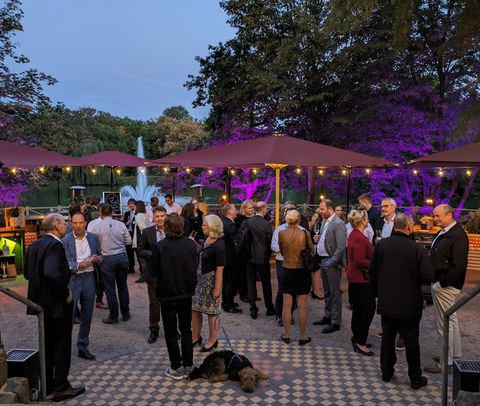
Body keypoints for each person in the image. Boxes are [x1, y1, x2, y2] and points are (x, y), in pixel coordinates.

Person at [24, 213, 85, 401]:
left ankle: (48, 385)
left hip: (40, 304)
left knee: (48, 345)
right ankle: (61, 387)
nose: (66, 225)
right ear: (57, 225)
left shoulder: (35, 244)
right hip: (56, 305)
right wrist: (65, 293)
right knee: (60, 345)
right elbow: (51, 273)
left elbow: (28, 274)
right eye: (64, 222)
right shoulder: (55, 244)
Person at [369, 213, 433, 389]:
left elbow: (372, 271)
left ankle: (386, 372)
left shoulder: (382, 245)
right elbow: (428, 276)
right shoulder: (416, 249)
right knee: (411, 340)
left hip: (387, 300)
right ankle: (415, 378)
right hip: (409, 302)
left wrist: (378, 293)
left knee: (388, 337)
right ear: (409, 226)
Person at [151, 213, 198, 380]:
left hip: (168, 294)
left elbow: (154, 272)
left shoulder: (159, 247)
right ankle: (188, 364)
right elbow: (194, 267)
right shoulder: (191, 245)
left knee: (171, 331)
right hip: (185, 293)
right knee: (186, 329)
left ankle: (176, 366)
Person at [425, 204, 469, 374]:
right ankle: (453, 355)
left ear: (449, 215)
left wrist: (442, 283)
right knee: (452, 321)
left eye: (438, 216)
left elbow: (459, 265)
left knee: (444, 324)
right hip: (442, 283)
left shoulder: (457, 235)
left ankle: (446, 362)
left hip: (445, 285)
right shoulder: (447, 232)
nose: (434, 219)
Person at [62, 213, 102, 361]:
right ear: (71, 223)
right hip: (73, 280)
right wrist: (78, 265)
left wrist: (97, 258)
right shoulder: (65, 240)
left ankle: (82, 347)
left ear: (85, 223)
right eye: (75, 223)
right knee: (69, 315)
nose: (78, 226)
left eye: (80, 223)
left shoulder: (92, 237)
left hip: (89, 278)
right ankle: (64, 348)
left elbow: (101, 254)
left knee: (87, 315)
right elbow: (63, 262)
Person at [278, 210, 314, 345]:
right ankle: (302, 336)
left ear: (287, 220)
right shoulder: (305, 233)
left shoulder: (281, 233)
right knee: (302, 305)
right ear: (299, 220)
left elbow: (282, 252)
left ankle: (286, 335)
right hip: (302, 271)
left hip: (287, 269)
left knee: (287, 304)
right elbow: (312, 250)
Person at [92, 204, 132, 324]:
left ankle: (113, 316)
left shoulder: (97, 227)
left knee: (110, 289)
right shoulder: (121, 225)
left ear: (100, 213)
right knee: (123, 286)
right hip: (121, 256)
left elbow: (94, 246)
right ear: (112, 213)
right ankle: (125, 313)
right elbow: (129, 241)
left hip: (107, 257)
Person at [191, 214, 225, 352]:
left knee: (211, 313)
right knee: (194, 309)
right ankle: (195, 337)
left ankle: (213, 339)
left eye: (204, 224)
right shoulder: (207, 239)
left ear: (211, 226)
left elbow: (220, 269)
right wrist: (193, 242)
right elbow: (203, 252)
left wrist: (217, 288)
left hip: (211, 281)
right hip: (200, 280)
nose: (202, 226)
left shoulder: (220, 245)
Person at [312, 199, 347, 334]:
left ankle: (335, 322)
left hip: (331, 263)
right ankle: (328, 316)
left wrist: (332, 262)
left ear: (330, 209)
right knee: (327, 291)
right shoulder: (325, 221)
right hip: (324, 260)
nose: (320, 211)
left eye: (322, 209)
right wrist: (318, 239)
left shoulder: (338, 224)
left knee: (334, 293)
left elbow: (341, 247)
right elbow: (327, 239)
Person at [346, 209, 375, 356]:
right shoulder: (359, 237)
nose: (368, 220)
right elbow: (359, 259)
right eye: (367, 219)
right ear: (363, 221)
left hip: (356, 277)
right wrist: (375, 262)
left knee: (359, 309)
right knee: (367, 309)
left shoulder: (355, 234)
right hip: (360, 278)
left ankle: (357, 336)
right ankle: (360, 341)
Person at [137, 206, 167, 343]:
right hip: (154, 272)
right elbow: (140, 250)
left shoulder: (172, 230)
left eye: (162, 216)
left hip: (170, 273)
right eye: (157, 216)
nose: (160, 219)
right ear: (153, 218)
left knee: (169, 301)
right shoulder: (147, 232)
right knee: (154, 302)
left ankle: (171, 328)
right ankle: (154, 329)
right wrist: (153, 255)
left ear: (166, 216)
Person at [241, 201, 275, 319]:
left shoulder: (247, 222)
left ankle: (253, 309)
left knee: (251, 283)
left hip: (249, 257)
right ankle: (269, 307)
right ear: (263, 210)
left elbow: (242, 238)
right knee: (266, 283)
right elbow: (270, 242)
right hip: (263, 257)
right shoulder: (267, 224)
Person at [221, 203, 242, 314]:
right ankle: (228, 304)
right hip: (231, 258)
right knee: (231, 282)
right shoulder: (231, 225)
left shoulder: (225, 223)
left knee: (226, 282)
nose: (236, 211)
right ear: (229, 212)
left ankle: (226, 301)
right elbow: (235, 244)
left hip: (226, 257)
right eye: (234, 209)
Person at [86, 203, 108, 309]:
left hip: (108, 254)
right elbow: (89, 239)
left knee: (107, 279)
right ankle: (98, 299)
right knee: (99, 278)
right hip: (98, 254)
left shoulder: (114, 223)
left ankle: (105, 298)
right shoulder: (93, 224)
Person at [235, 199, 255, 302]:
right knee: (243, 273)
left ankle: (252, 294)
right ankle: (243, 294)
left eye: (252, 208)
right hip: (243, 250)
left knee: (252, 273)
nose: (251, 210)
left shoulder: (255, 218)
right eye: (249, 208)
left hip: (253, 249)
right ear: (244, 209)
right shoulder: (239, 219)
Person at [132, 200, 151, 282]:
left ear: (137, 206)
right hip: (147, 237)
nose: (134, 207)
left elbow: (142, 227)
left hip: (141, 237)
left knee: (141, 256)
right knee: (145, 257)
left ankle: (144, 275)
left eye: (135, 205)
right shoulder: (145, 214)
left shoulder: (138, 215)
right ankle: (147, 274)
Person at [123, 198, 137, 274]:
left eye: (132, 203)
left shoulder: (138, 213)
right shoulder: (126, 213)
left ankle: (142, 269)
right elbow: (123, 224)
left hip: (136, 234)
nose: (131, 205)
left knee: (137, 251)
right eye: (129, 203)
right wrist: (126, 223)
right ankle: (131, 268)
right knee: (129, 251)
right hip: (129, 233)